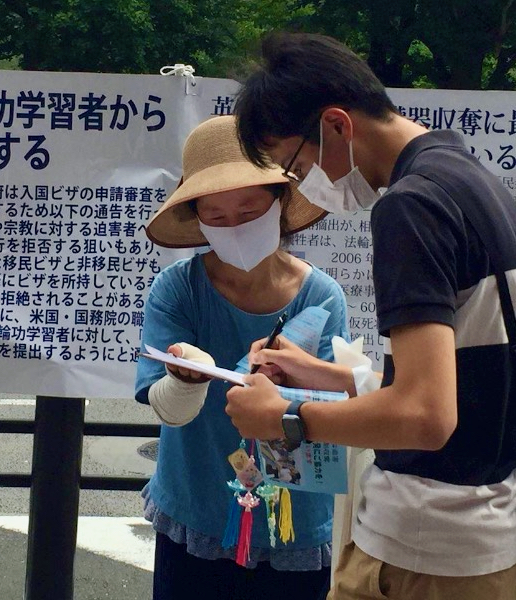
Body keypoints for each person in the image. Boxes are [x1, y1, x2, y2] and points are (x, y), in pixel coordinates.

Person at [227, 32, 516, 600]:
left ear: (336, 125)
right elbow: (468, 383)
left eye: (294, 164)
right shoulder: (474, 184)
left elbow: (426, 416)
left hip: (423, 549)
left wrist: (284, 416)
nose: (303, 184)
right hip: (487, 537)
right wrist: (329, 376)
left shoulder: (412, 206)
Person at [136, 115, 349, 600]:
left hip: (297, 518)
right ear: (197, 218)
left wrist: (291, 392)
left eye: (249, 210)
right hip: (197, 509)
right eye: (216, 216)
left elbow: (340, 404)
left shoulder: (323, 297)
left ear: (280, 204)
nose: (233, 226)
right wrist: (187, 376)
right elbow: (170, 407)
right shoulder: (177, 289)